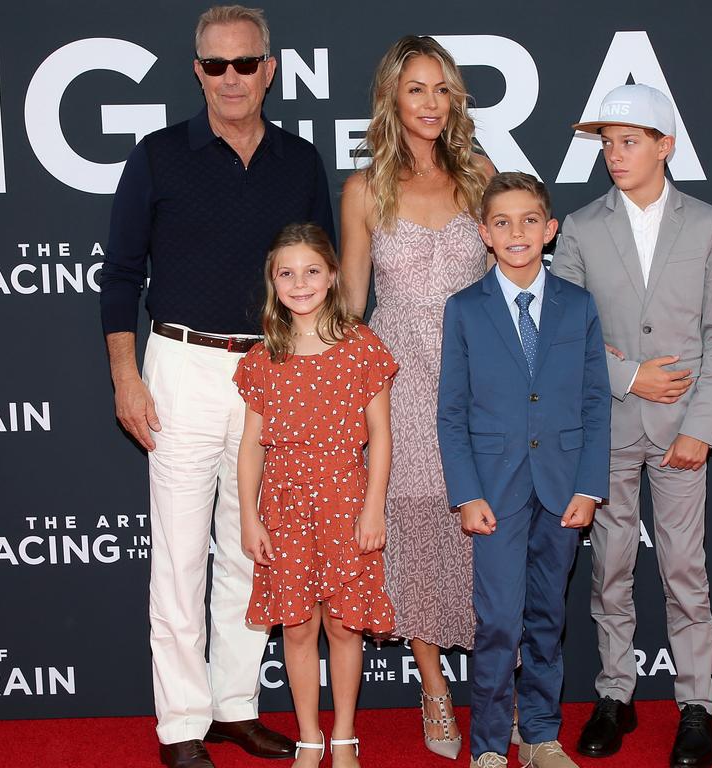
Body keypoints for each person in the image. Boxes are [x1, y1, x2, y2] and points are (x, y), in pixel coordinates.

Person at [98, 6, 334, 767]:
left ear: (269, 69)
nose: (230, 78)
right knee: (178, 556)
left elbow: (321, 282)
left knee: (249, 551)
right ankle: (180, 726)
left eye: (245, 63)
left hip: (270, 371)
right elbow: (121, 275)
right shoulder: (159, 156)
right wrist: (126, 375)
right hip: (181, 366)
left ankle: (235, 706)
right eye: (215, 65)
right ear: (197, 71)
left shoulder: (300, 162)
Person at [550, 84, 712, 768]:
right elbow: (561, 336)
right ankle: (615, 694)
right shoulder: (580, 227)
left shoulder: (708, 223)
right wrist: (629, 377)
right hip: (607, 426)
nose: (614, 155)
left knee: (686, 570)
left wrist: (700, 427)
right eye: (606, 144)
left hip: (683, 428)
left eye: (629, 141)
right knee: (612, 570)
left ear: (666, 145)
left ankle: (696, 704)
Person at [339, 34, 494, 759]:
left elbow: (518, 281)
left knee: (491, 536)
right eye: (416, 90)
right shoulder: (366, 188)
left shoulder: (480, 177)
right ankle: (434, 691)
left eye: (442, 89)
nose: (431, 103)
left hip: (480, 376)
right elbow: (350, 302)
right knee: (419, 536)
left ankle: (499, 688)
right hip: (398, 380)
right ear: (392, 100)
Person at [438, 172, 612, 768]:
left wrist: (591, 486)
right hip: (495, 491)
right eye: (503, 222)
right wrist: (465, 493)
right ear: (484, 233)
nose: (517, 232)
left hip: (564, 489)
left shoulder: (579, 306)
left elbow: (594, 402)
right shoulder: (463, 310)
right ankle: (488, 745)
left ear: (551, 230)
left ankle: (540, 735)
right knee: (498, 622)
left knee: (546, 618)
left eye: (530, 220)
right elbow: (451, 412)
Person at [234, 222, 397, 768]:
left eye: (310, 271)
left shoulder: (361, 347)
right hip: (283, 508)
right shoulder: (263, 357)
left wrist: (373, 507)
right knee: (298, 627)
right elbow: (252, 447)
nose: (299, 283)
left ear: (331, 276)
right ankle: (308, 737)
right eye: (286, 273)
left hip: (347, 503)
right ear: (273, 282)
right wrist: (250, 519)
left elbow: (381, 433)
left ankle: (345, 735)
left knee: (344, 625)